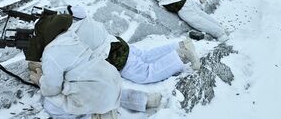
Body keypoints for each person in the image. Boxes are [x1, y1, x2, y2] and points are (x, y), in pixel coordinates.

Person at [25, 13, 160, 119]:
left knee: (51, 105)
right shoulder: (72, 36)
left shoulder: (50, 52)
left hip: (95, 95)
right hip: (112, 79)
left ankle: (96, 114)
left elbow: (52, 89)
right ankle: (142, 99)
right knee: (102, 90)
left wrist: (41, 80)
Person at [72, 14, 201, 85]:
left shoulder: (69, 34)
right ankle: (180, 46)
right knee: (146, 56)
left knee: (145, 73)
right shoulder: (76, 17)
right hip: (116, 42)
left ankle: (181, 55)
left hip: (113, 55)